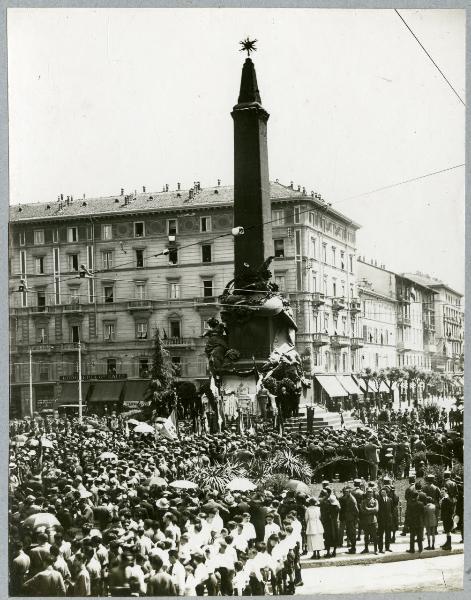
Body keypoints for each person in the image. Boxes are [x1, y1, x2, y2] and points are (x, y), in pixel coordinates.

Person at [338, 487, 358, 554]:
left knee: (352, 533)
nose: (345, 493)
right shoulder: (348, 498)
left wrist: (355, 519)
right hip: (349, 518)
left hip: (351, 519)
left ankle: (353, 548)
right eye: (345, 492)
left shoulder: (351, 499)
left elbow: (356, 510)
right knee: (350, 533)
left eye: (347, 492)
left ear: (350, 492)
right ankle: (352, 548)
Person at [360, 489, 378, 554]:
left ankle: (376, 549)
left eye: (371, 492)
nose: (370, 494)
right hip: (366, 521)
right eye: (368, 492)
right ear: (366, 493)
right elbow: (362, 511)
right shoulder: (363, 501)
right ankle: (366, 548)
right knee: (366, 536)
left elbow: (376, 510)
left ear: (372, 493)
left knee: (375, 536)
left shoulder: (375, 501)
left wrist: (368, 509)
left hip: (373, 521)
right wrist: (371, 511)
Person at [377, 487, 393, 553]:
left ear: (386, 493)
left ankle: (387, 547)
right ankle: (380, 549)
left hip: (388, 520)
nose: (382, 493)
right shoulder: (379, 500)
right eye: (381, 492)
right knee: (381, 535)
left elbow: (391, 510)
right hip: (381, 520)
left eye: (383, 492)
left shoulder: (390, 500)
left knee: (388, 535)